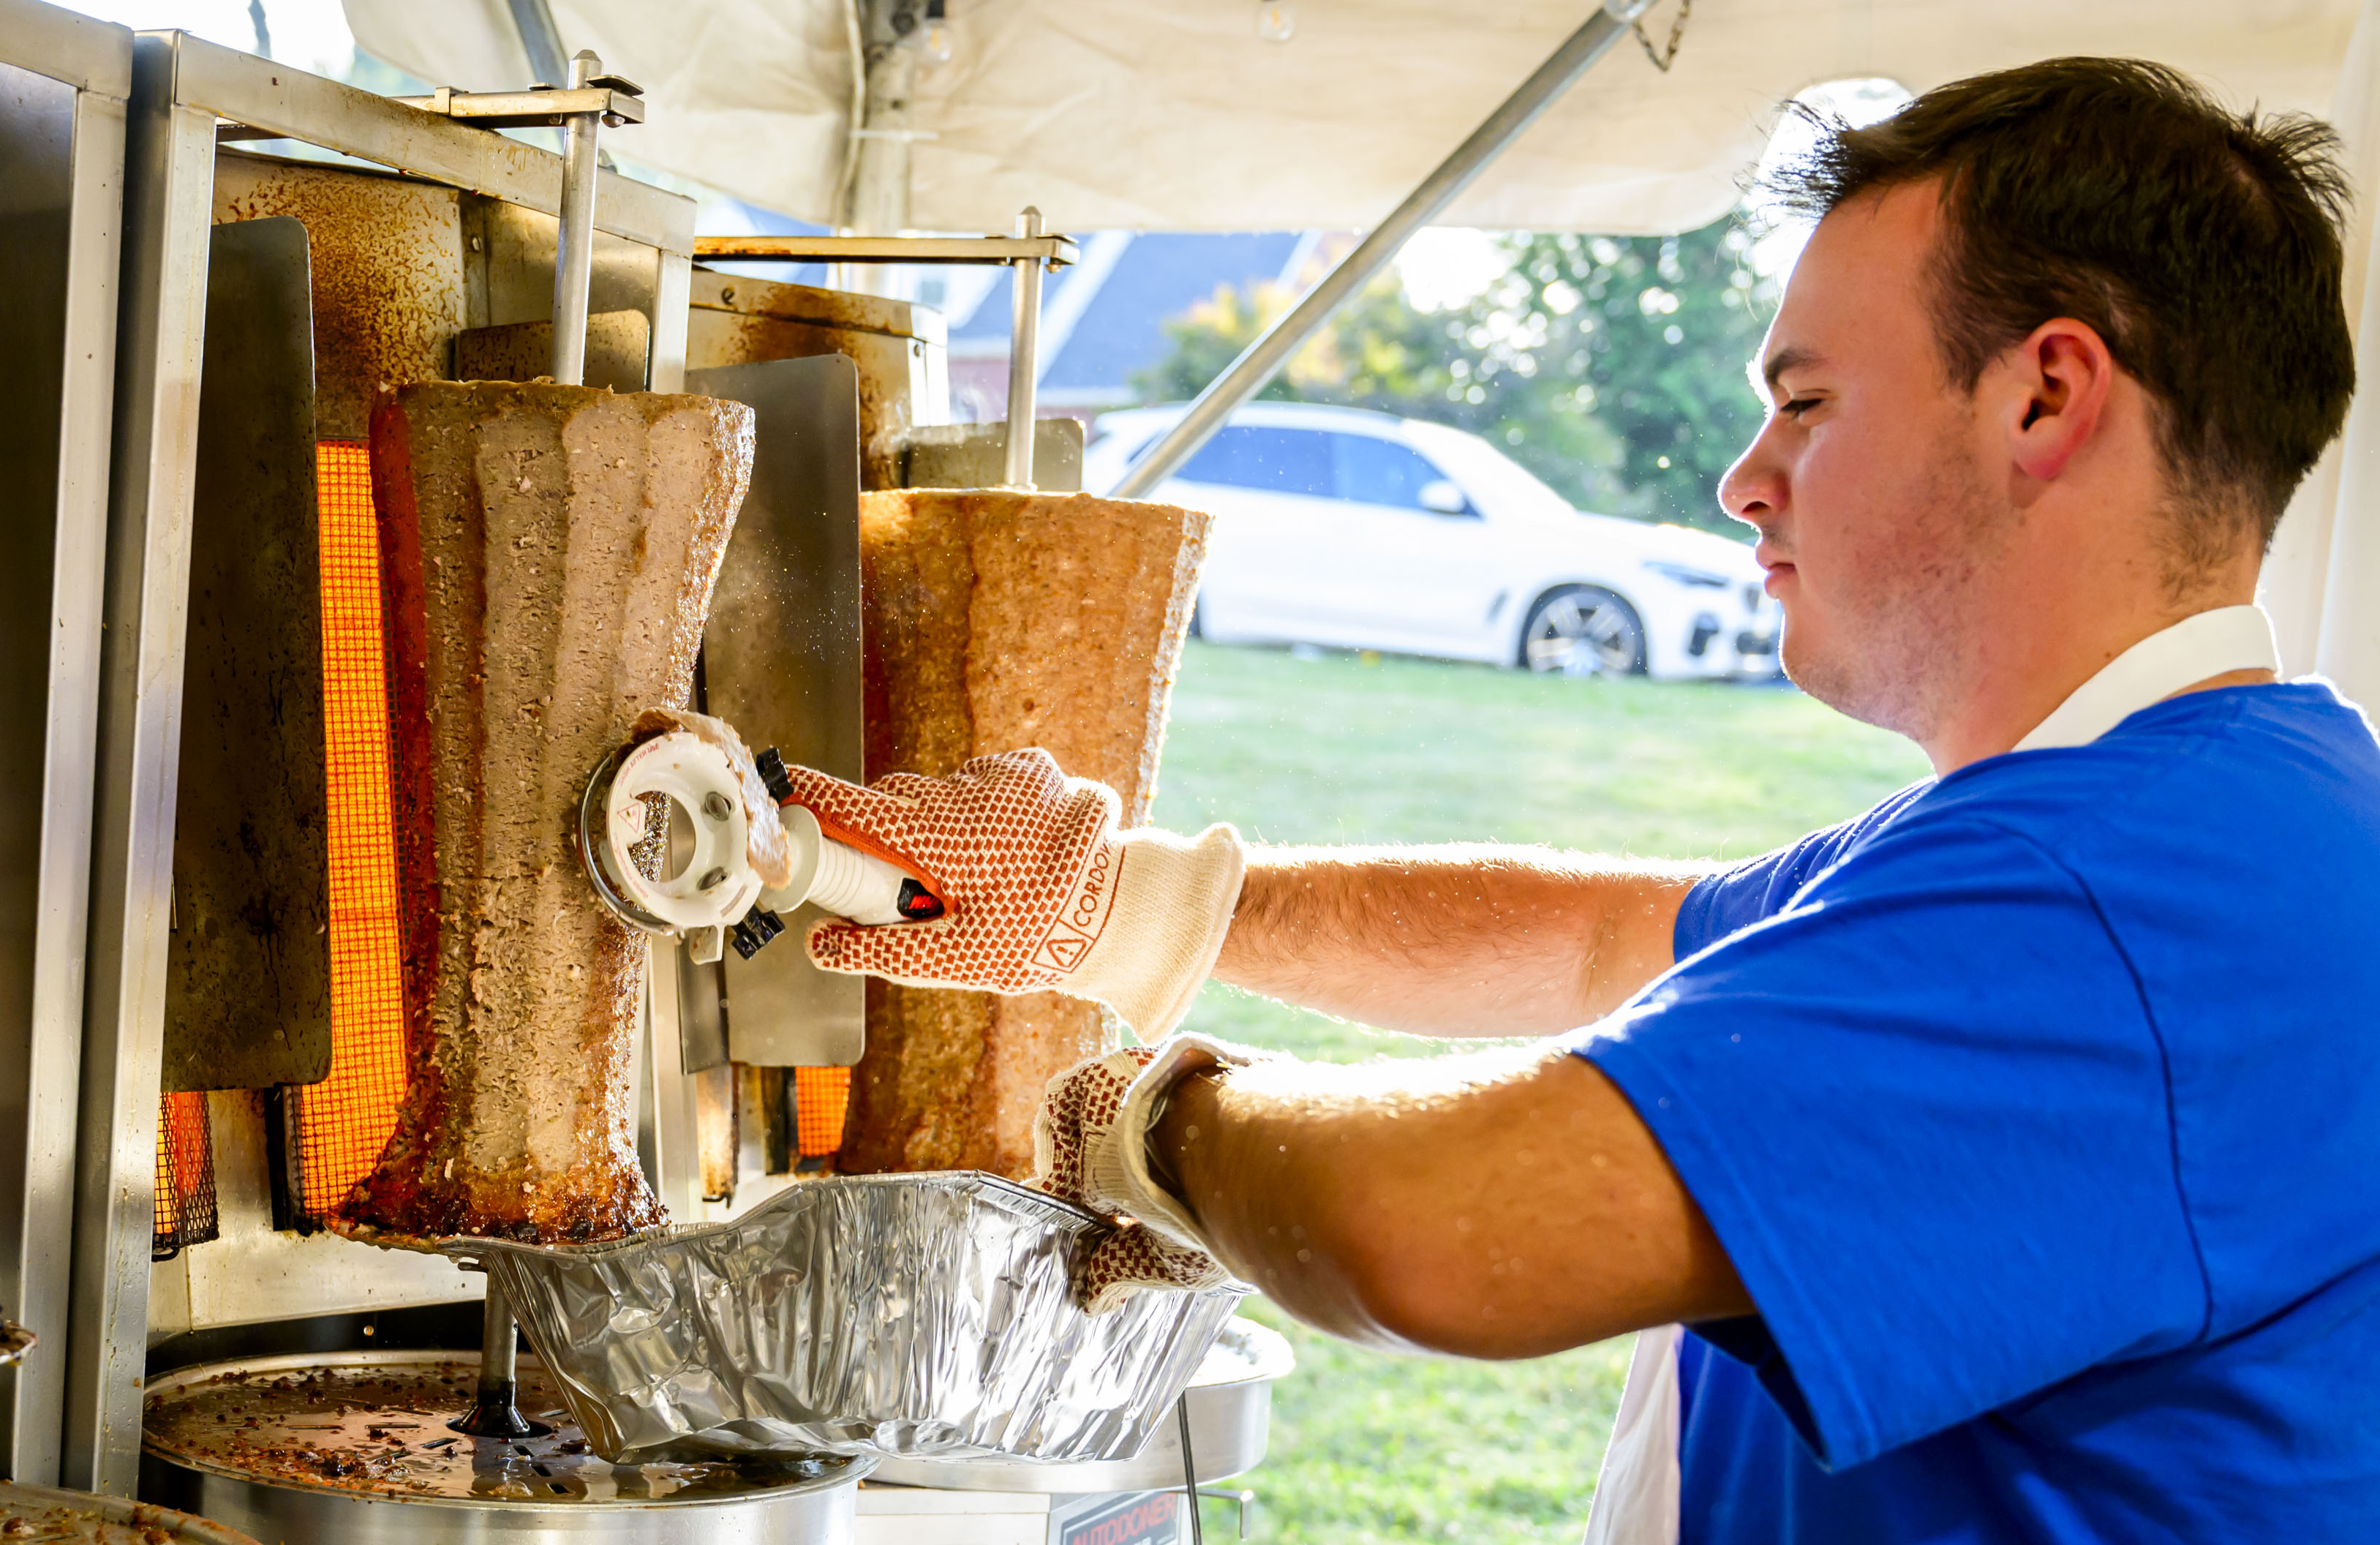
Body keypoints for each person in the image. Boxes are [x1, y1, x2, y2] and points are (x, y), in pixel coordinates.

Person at [783, 58, 2379, 1542]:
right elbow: (1596, 941)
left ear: (2045, 397)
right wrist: (1121, 900)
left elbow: (1443, 1229)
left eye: (1809, 402)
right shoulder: (2224, 810)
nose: (1743, 478)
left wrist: (1139, 1126)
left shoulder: (2115, 908)